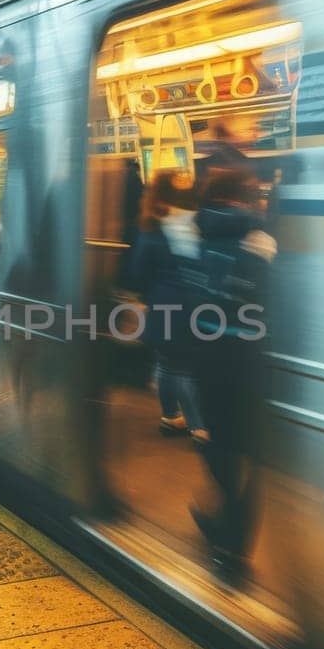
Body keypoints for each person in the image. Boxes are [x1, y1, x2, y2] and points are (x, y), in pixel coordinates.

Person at [190, 167, 275, 582]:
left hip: (208, 350)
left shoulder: (196, 234)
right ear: (246, 197)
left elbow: (190, 296)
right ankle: (235, 547)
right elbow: (271, 299)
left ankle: (221, 519)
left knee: (219, 441)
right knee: (253, 453)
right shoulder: (262, 239)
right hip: (249, 353)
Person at [127, 168, 207, 443]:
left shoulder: (151, 225)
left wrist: (149, 297)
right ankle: (198, 428)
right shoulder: (193, 222)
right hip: (188, 304)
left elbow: (138, 272)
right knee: (183, 367)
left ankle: (170, 417)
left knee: (167, 363)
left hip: (161, 303)